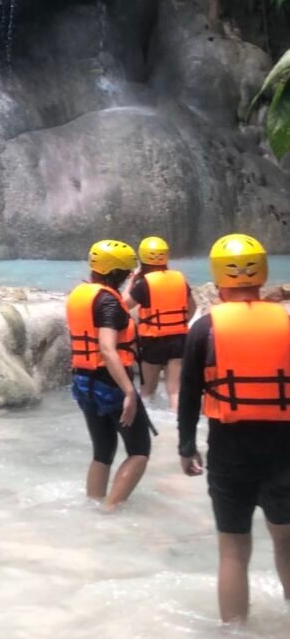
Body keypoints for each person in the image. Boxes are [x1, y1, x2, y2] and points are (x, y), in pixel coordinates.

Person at [178, 233, 290, 623]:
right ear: (261, 273)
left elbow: (189, 394)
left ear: (218, 277)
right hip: (284, 449)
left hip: (229, 449)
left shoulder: (204, 329)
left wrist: (186, 446)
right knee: (287, 543)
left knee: (233, 552)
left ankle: (234, 633)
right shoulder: (287, 322)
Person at [66, 239, 152, 509]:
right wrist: (129, 392)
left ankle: (93, 505)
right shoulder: (109, 303)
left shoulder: (84, 294)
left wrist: (132, 282)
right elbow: (107, 348)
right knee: (139, 450)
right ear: (116, 273)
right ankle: (110, 509)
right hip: (110, 383)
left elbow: (113, 306)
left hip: (84, 381)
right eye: (125, 273)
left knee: (103, 452)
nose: (129, 275)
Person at [125, 236, 195, 409]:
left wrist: (131, 281)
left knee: (147, 390)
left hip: (152, 341)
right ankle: (177, 428)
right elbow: (193, 307)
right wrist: (179, 324)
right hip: (178, 339)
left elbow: (124, 304)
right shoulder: (180, 279)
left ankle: (146, 425)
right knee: (175, 391)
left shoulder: (144, 284)